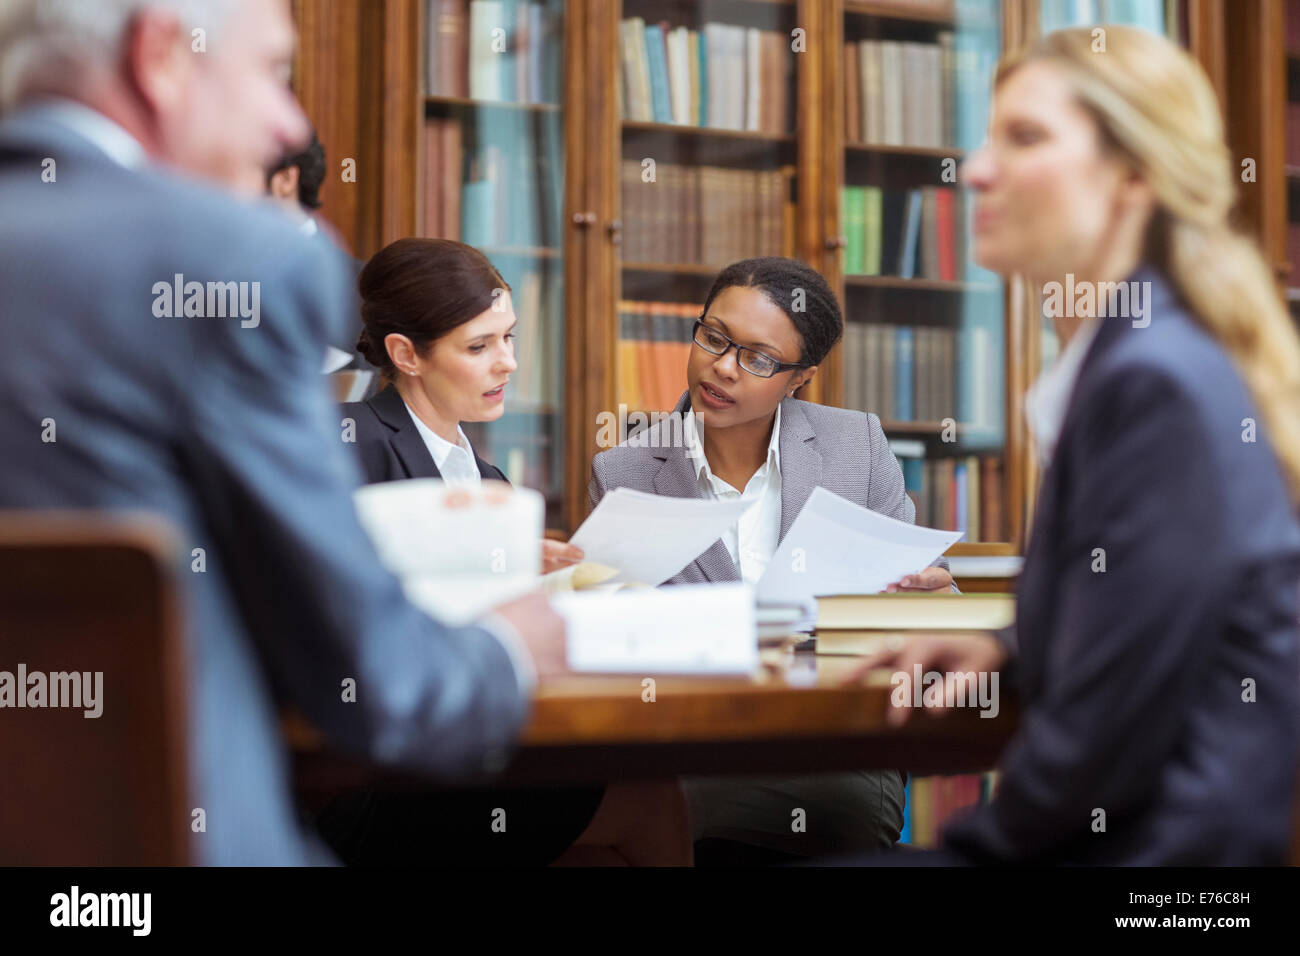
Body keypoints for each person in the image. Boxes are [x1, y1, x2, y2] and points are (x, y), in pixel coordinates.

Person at [0, 0, 566, 865]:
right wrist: (517, 646)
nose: (290, 123)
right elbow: (382, 688)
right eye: (272, 70)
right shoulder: (231, 261)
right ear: (161, 57)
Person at [853, 25, 1300, 865]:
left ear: (1134, 176)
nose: (977, 169)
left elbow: (1098, 753)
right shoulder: (1146, 357)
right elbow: (1153, 619)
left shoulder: (1153, 382)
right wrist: (1009, 647)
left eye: (1024, 138)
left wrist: (965, 849)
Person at [316, 237, 693, 865]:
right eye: (478, 346)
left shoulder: (491, 482)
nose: (508, 363)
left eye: (509, 338)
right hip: (378, 773)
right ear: (406, 354)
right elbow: (341, 611)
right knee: (649, 795)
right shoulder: (349, 444)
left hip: (476, 744)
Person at [589, 256, 954, 864]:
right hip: (689, 740)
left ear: (799, 377)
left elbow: (928, 606)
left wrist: (935, 601)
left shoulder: (855, 444)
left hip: (831, 739)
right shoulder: (625, 470)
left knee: (838, 809)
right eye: (714, 337)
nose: (722, 367)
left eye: (758, 359)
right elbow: (612, 638)